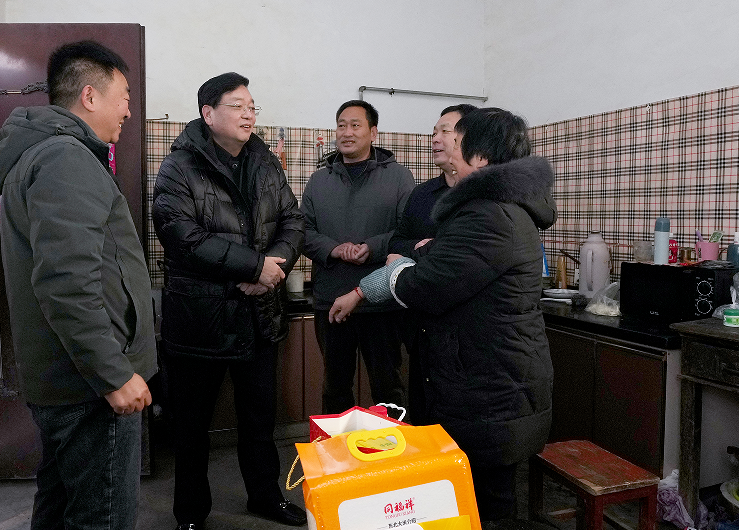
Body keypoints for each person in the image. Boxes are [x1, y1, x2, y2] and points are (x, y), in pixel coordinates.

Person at [329, 108, 557, 524]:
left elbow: (426, 286)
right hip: (487, 379)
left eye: (456, 138)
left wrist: (400, 270)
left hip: (491, 386)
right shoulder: (497, 207)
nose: (448, 144)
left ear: (481, 156)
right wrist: (419, 256)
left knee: (489, 504)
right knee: (476, 495)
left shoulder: (488, 213)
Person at [0, 41, 157, 530]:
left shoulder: (41, 154)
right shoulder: (65, 159)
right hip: (89, 385)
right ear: (90, 96)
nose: (128, 110)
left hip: (68, 377)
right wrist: (113, 374)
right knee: (101, 517)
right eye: (124, 97)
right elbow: (66, 280)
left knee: (59, 504)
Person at [151, 73, 306, 529]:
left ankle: (265, 497)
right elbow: (181, 236)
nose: (249, 114)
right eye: (238, 106)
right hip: (200, 320)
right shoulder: (179, 166)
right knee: (191, 428)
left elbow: (293, 221)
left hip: (259, 316)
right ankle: (190, 514)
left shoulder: (265, 162)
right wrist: (254, 267)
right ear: (208, 113)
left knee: (260, 422)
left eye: (252, 106)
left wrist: (272, 268)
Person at [301, 100, 415, 414]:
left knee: (388, 386)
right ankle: (337, 445)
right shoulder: (319, 180)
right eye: (341, 125)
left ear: (373, 132)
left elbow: (408, 231)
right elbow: (302, 231)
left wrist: (372, 247)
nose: (346, 132)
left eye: (355, 125)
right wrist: (335, 249)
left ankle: (391, 445)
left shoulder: (399, 177)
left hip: (382, 302)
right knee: (335, 386)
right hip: (331, 300)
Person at [388, 103, 476, 424]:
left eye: (445, 131)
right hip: (422, 328)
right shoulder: (422, 194)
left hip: (465, 336)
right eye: (434, 132)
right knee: (423, 420)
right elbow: (396, 244)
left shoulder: (481, 198)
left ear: (469, 138)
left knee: (458, 427)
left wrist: (429, 252)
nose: (435, 138)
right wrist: (417, 247)